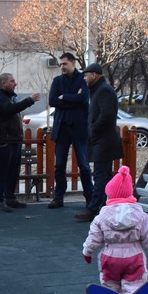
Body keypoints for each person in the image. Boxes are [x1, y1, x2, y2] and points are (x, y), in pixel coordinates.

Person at [81, 165, 148, 294]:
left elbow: (94, 237)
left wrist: (87, 251)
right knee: (135, 286)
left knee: (110, 285)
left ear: (110, 195)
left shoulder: (101, 217)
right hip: (134, 256)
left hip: (110, 256)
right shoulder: (140, 215)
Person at [0, 73, 40, 212]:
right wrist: (30, 100)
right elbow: (10, 110)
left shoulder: (11, 96)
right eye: (12, 81)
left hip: (14, 139)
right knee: (2, 170)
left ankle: (10, 197)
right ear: (3, 83)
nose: (15, 83)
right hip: (4, 139)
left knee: (13, 171)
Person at [78, 62, 124, 222]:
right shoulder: (99, 90)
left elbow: (107, 115)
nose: (84, 78)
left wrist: (93, 130)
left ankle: (94, 209)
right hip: (103, 140)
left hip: (103, 141)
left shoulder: (103, 90)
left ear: (94, 75)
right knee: (104, 175)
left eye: (86, 75)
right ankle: (107, 207)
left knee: (100, 175)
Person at [47, 52, 92, 210]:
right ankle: (59, 197)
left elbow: (83, 99)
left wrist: (64, 97)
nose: (62, 67)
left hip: (79, 128)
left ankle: (89, 196)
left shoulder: (83, 79)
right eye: (60, 64)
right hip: (62, 128)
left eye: (64, 64)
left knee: (84, 165)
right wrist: (73, 98)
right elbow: (52, 101)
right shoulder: (57, 80)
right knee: (59, 165)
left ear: (73, 63)